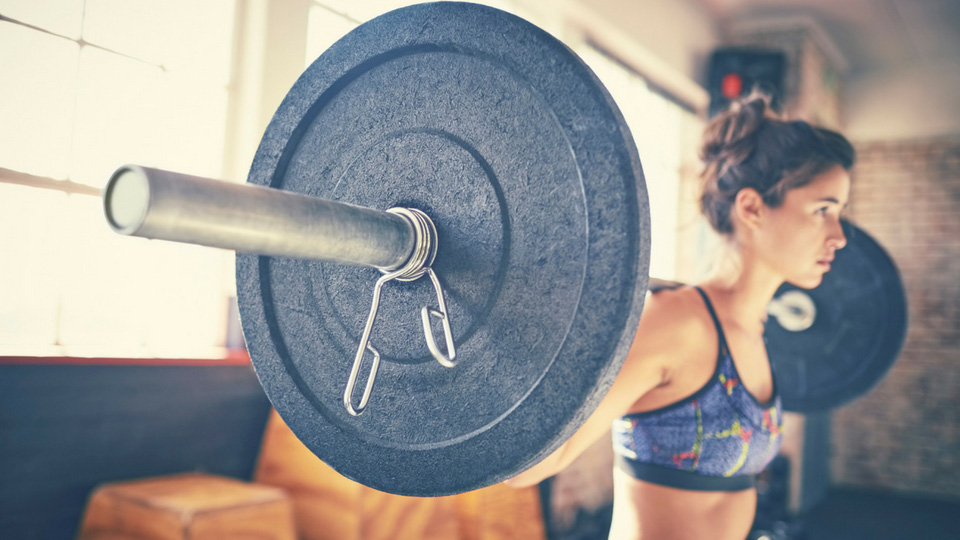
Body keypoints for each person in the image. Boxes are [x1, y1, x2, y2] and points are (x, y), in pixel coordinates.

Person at [506, 92, 855, 540]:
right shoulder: (678, 324)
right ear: (751, 208)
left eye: (839, 213)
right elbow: (531, 466)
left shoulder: (754, 327)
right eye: (822, 210)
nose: (839, 236)